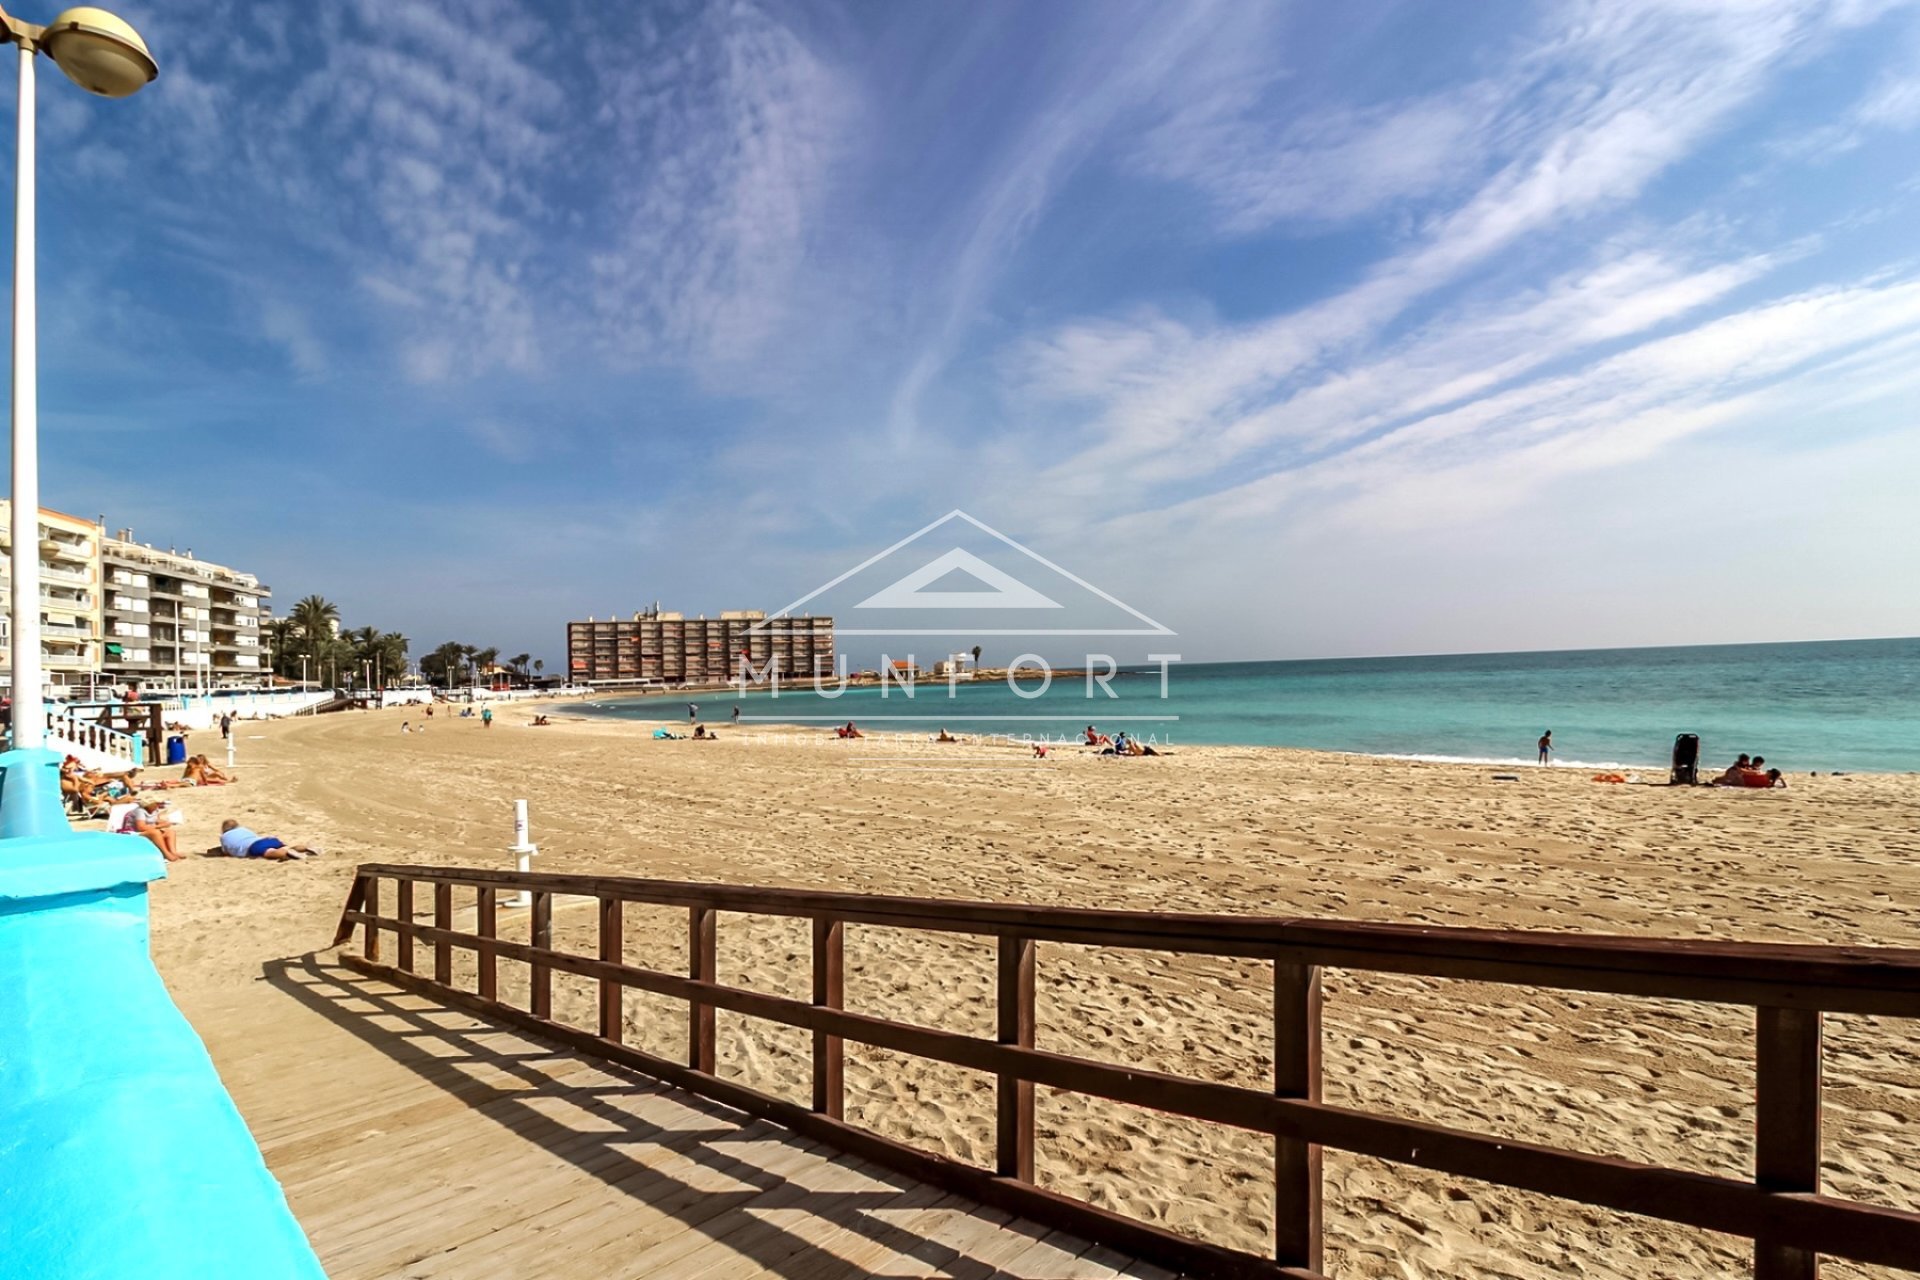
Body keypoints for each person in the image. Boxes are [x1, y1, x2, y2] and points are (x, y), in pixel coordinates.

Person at [218, 818, 321, 861]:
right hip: (266, 839)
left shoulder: (224, 837)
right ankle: (306, 848)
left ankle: (287, 854)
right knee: (286, 847)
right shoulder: (244, 829)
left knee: (270, 852)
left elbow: (227, 853)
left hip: (253, 846)